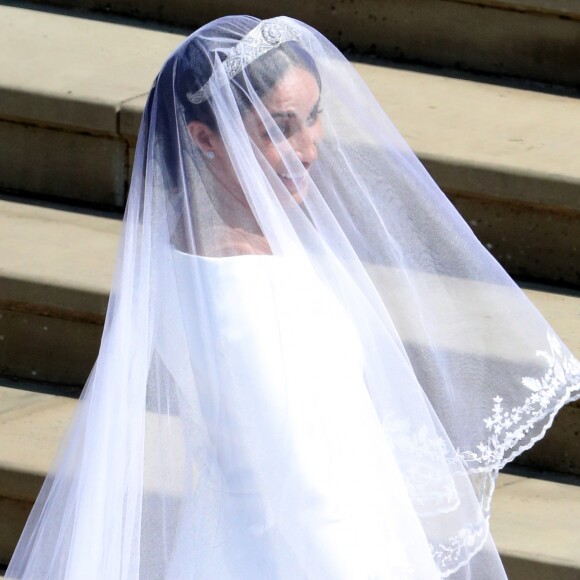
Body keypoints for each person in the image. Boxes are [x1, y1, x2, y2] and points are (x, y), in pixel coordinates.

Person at [6, 15, 579, 579]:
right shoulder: (241, 290)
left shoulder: (208, 242)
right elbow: (307, 495)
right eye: (278, 128)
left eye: (313, 116)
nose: (308, 148)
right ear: (204, 137)